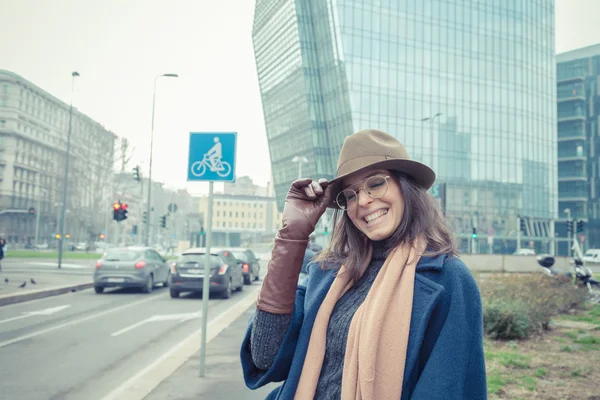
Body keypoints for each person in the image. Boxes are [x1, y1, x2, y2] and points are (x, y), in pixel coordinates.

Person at [240, 129, 487, 399]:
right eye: (351, 195)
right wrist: (292, 235)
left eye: (376, 183)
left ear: (406, 188)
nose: (364, 201)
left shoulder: (447, 279)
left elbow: (446, 389)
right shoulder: (328, 275)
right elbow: (264, 355)